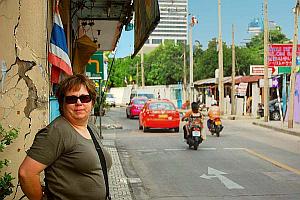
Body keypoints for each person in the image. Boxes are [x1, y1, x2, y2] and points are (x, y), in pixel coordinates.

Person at [18, 74, 112, 200]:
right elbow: (26, 173)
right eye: (71, 99)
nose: (79, 103)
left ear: (92, 102)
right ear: (62, 104)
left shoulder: (90, 128)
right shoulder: (57, 131)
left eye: (84, 98)